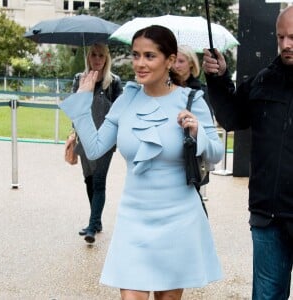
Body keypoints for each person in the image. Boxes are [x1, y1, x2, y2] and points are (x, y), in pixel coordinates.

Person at [61, 25, 223, 300]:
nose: (139, 63)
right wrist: (82, 101)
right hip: (133, 217)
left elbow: (216, 154)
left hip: (179, 218)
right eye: (136, 55)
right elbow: (96, 147)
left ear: (170, 60)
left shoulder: (192, 100)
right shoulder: (127, 100)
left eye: (149, 56)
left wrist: (197, 133)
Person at [202, 6, 293, 300]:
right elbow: (232, 118)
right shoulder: (265, 79)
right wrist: (218, 79)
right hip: (268, 214)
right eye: (281, 37)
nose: (286, 45)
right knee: (266, 296)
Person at [72, 43, 123, 244]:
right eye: (93, 55)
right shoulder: (79, 79)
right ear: (88, 57)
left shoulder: (114, 82)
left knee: (100, 181)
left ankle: (92, 226)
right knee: (89, 180)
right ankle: (97, 220)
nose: (97, 59)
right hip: (84, 138)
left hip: (106, 139)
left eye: (101, 55)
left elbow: (120, 110)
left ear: (106, 58)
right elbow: (75, 109)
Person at [173, 45, 213, 198]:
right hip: (171, 149)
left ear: (191, 63)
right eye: (174, 61)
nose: (176, 65)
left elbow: (208, 122)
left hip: (191, 150)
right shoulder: (165, 87)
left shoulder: (199, 91)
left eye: (181, 61)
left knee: (192, 196)